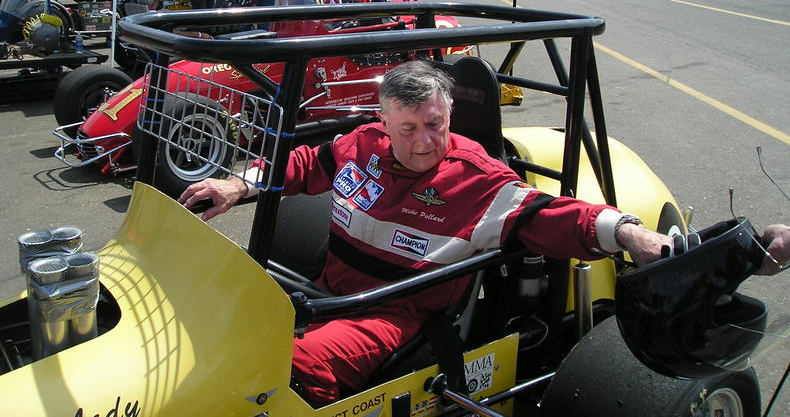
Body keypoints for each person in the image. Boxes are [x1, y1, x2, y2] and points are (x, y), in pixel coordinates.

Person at [178, 60, 790, 407]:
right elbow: (307, 166)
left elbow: (549, 214)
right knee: (205, 326)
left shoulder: (475, 176)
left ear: (448, 116)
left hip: (394, 316)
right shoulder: (359, 145)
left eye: (436, 123)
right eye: (410, 126)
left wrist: (628, 233)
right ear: (382, 121)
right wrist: (241, 184)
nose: (425, 139)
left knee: (269, 373)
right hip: (328, 291)